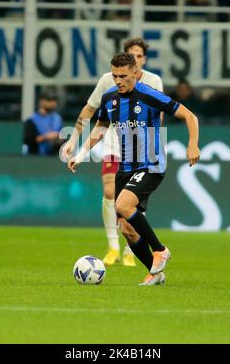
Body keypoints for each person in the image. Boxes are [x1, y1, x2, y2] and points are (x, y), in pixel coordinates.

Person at [67, 53, 200, 285]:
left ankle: (160, 250)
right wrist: (81, 155)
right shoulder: (109, 99)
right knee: (127, 229)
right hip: (125, 165)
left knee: (122, 205)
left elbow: (190, 116)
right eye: (115, 76)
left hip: (151, 163)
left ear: (135, 74)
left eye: (123, 76)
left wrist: (192, 144)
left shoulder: (149, 95)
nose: (118, 81)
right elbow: (100, 128)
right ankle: (155, 273)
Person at [62, 38, 164, 267]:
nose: (135, 59)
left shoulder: (153, 81)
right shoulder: (108, 81)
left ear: (143, 61)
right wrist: (75, 140)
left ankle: (132, 249)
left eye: (139, 56)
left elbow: (160, 114)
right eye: (131, 54)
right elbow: (90, 109)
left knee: (131, 202)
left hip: (143, 147)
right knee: (110, 192)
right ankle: (112, 247)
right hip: (114, 142)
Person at [23, 91, 63, 156]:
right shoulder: (32, 119)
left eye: (54, 100)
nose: (53, 103)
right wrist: (46, 137)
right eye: (49, 100)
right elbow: (28, 140)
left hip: (53, 157)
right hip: (35, 156)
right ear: (41, 102)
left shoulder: (57, 118)